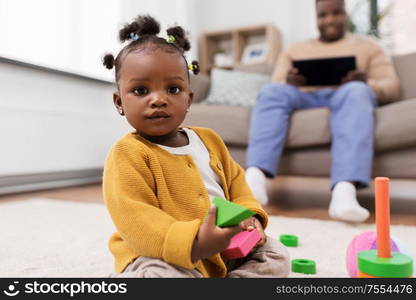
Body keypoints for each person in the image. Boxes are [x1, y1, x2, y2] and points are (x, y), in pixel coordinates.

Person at [102, 15, 289, 278]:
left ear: (189, 99)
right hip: (163, 254)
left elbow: (238, 185)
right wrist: (196, 242)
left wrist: (251, 218)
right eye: (141, 91)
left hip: (225, 249)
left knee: (275, 255)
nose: (158, 100)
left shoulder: (209, 140)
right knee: (159, 275)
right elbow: (136, 219)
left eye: (173, 89)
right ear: (119, 102)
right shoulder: (127, 153)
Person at [245, 0, 400, 223]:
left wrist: (367, 81)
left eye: (336, 13)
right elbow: (277, 83)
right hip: (303, 95)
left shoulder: (369, 47)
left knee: (357, 91)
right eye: (323, 15)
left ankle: (344, 193)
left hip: (346, 96)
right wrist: (288, 81)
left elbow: (392, 87)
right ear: (316, 19)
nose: (329, 20)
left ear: (345, 15)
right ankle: (255, 180)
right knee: (271, 91)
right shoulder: (295, 50)